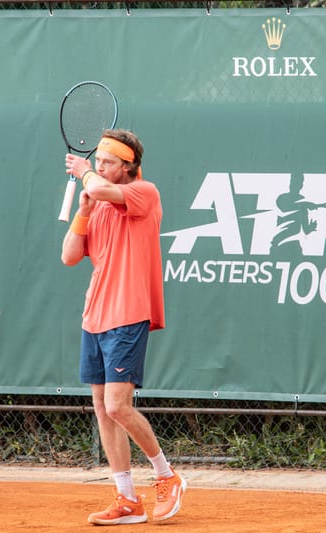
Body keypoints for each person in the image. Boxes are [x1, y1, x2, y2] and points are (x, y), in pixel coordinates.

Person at [61, 129, 186, 525]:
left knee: (118, 405)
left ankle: (167, 477)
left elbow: (102, 189)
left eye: (107, 163)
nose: (100, 167)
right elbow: (68, 256)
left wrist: (84, 175)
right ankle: (127, 498)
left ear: (128, 167)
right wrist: (82, 210)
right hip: (94, 317)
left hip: (129, 313)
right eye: (97, 162)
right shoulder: (96, 203)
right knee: (102, 408)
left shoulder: (144, 193)